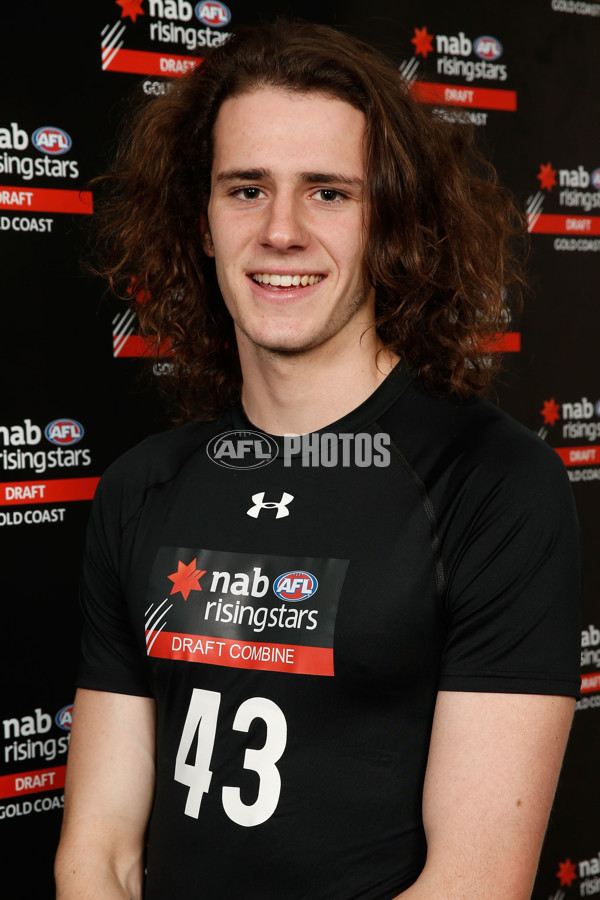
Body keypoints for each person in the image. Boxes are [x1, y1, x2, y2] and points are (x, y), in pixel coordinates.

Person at [54, 20, 581, 900]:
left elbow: (475, 883)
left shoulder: (493, 485)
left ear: (393, 223)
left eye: (329, 193)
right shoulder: (142, 486)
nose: (282, 231)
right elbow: (98, 852)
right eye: (246, 189)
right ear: (206, 222)